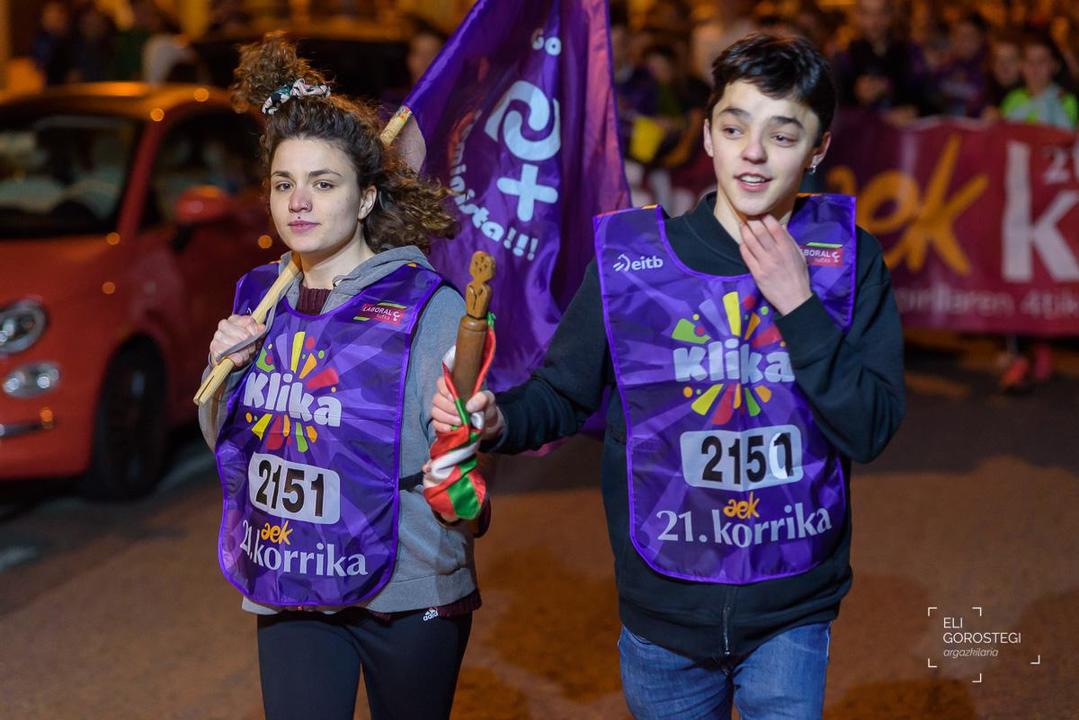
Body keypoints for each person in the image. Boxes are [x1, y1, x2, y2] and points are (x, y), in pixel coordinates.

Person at [432, 33, 905, 718]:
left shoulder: (846, 260)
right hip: (662, 611)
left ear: (817, 149)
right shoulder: (630, 262)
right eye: (734, 127)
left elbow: (869, 428)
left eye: (782, 135)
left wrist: (799, 305)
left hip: (791, 605)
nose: (753, 152)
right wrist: (497, 418)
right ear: (707, 134)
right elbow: (560, 394)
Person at [197, 33, 479, 720]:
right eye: (283, 184)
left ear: (364, 198)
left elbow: (456, 464)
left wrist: (473, 428)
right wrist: (224, 372)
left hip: (404, 587)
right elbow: (229, 445)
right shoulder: (258, 296)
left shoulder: (426, 307)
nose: (299, 201)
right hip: (289, 574)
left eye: (323, 184)